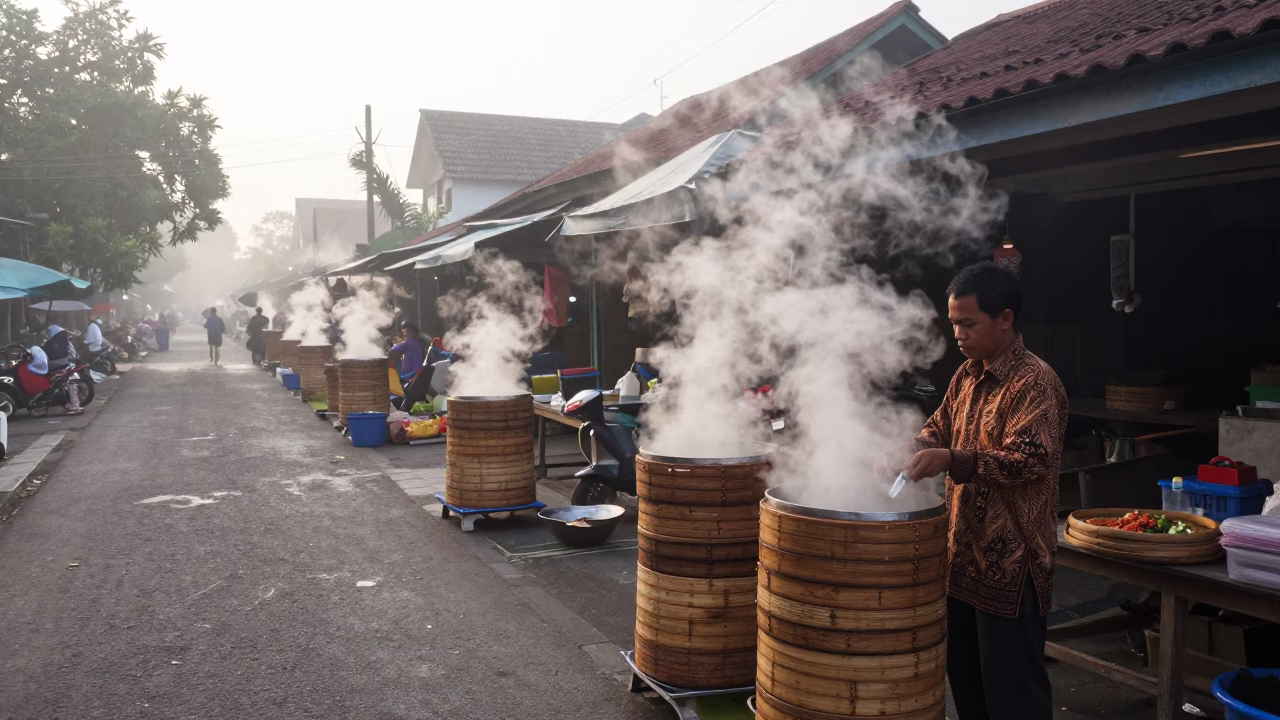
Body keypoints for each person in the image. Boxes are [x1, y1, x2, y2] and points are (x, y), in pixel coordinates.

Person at [899, 262, 1066, 720]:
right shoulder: (967, 375)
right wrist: (913, 447)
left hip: (1013, 571)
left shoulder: (1036, 383)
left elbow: (1029, 460)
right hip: (961, 560)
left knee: (1014, 697)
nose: (958, 334)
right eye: (953, 324)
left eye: (968, 324)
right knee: (968, 688)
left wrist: (954, 460)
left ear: (1005, 319)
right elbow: (938, 428)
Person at [42, 324, 82, 415]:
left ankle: (73, 406)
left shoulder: (52, 343)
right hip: (65, 363)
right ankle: (73, 405)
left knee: (67, 384)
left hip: (58, 365)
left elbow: (47, 352)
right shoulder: (62, 340)